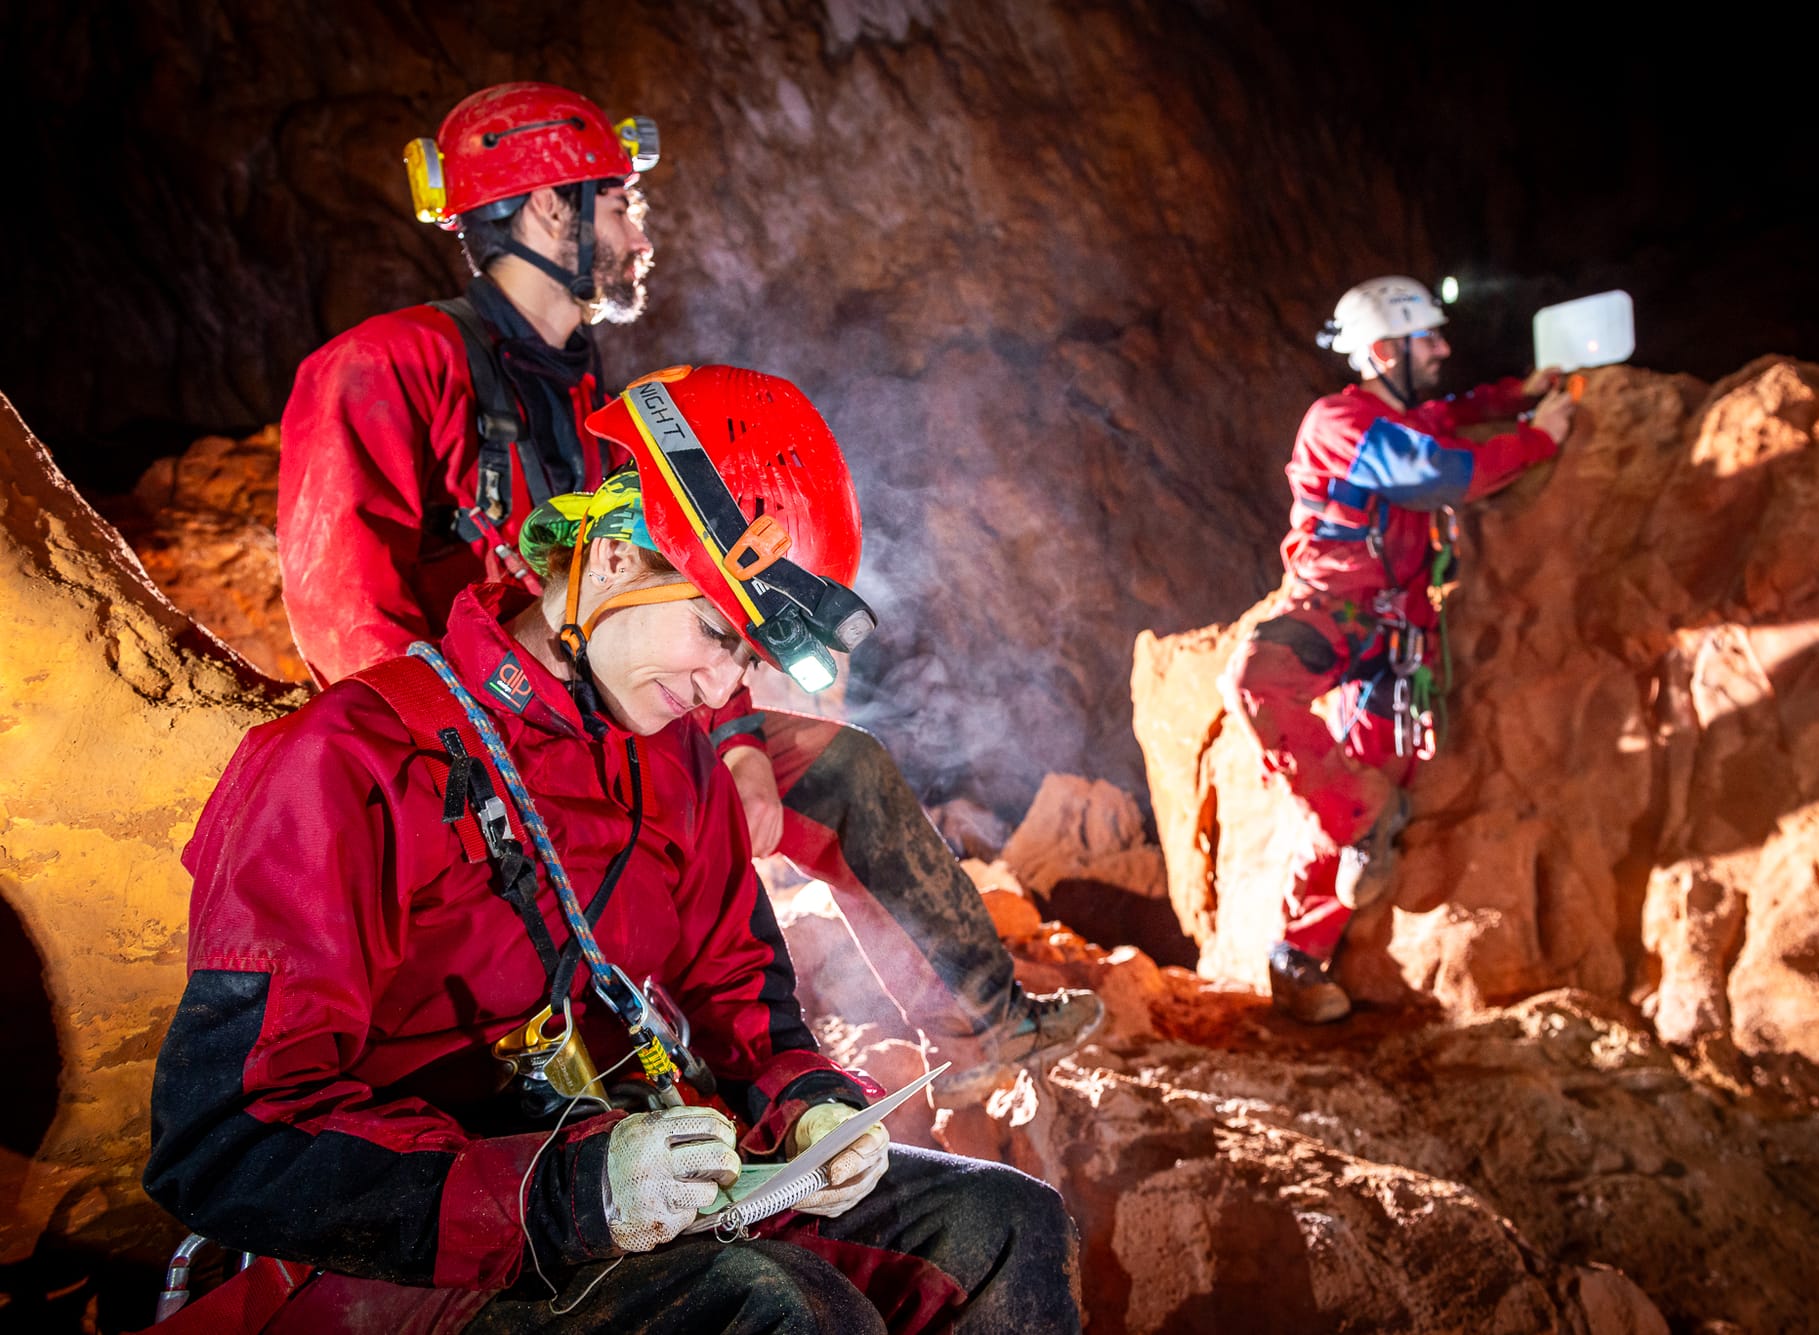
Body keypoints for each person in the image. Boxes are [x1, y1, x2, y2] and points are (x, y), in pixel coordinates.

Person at [145, 366, 1082, 1334]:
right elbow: (223, 1140)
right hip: (419, 1241)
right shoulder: (345, 767)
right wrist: (559, 1192)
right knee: (776, 1310)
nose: (724, 689)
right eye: (716, 633)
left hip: (618, 1176)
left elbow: (741, 996)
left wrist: (810, 1107)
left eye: (747, 660)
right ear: (614, 561)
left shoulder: (670, 760)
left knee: (1001, 1223)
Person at [276, 81, 1100, 1103]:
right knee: (670, 852)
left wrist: (739, 745)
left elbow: (683, 596)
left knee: (841, 776)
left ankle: (983, 1030)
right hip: (484, 749)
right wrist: (474, 772)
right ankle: (716, 1105)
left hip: (616, 717)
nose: (638, 233)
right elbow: (345, 610)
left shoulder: (598, 409)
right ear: (547, 210)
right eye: (620, 205)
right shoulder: (386, 367)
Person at [1220, 276, 1574, 1023]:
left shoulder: (1414, 416)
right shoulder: (1339, 422)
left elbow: (1456, 417)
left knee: (1365, 772)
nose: (1444, 348)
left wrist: (1521, 395)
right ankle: (1341, 851)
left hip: (1395, 640)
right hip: (1329, 614)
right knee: (1260, 687)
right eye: (1428, 340)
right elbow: (1440, 472)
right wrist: (1542, 437)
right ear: (1382, 351)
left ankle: (1300, 955)